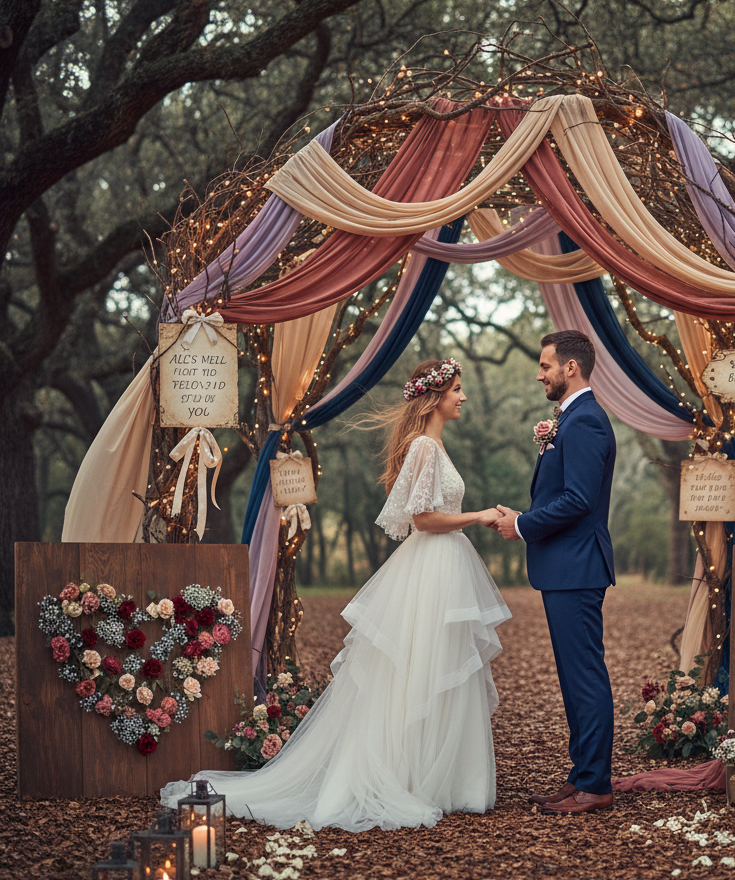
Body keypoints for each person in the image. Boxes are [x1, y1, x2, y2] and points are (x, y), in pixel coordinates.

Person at [161, 358, 511, 832]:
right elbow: (423, 520)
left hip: (441, 566)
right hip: (431, 565)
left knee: (434, 666)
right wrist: (479, 515)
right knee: (422, 668)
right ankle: (416, 778)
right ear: (434, 398)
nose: (462, 397)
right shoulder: (426, 448)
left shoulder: (433, 446)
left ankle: (438, 778)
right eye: (455, 389)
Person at [492, 330, 617, 815]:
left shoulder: (585, 421)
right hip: (565, 567)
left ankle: (595, 784)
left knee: (585, 676)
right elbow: (562, 494)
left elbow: (579, 500)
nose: (539, 374)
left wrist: (521, 524)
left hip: (577, 566)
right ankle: (581, 773)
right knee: (574, 676)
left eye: (545, 365)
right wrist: (522, 515)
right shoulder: (571, 418)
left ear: (571, 368)